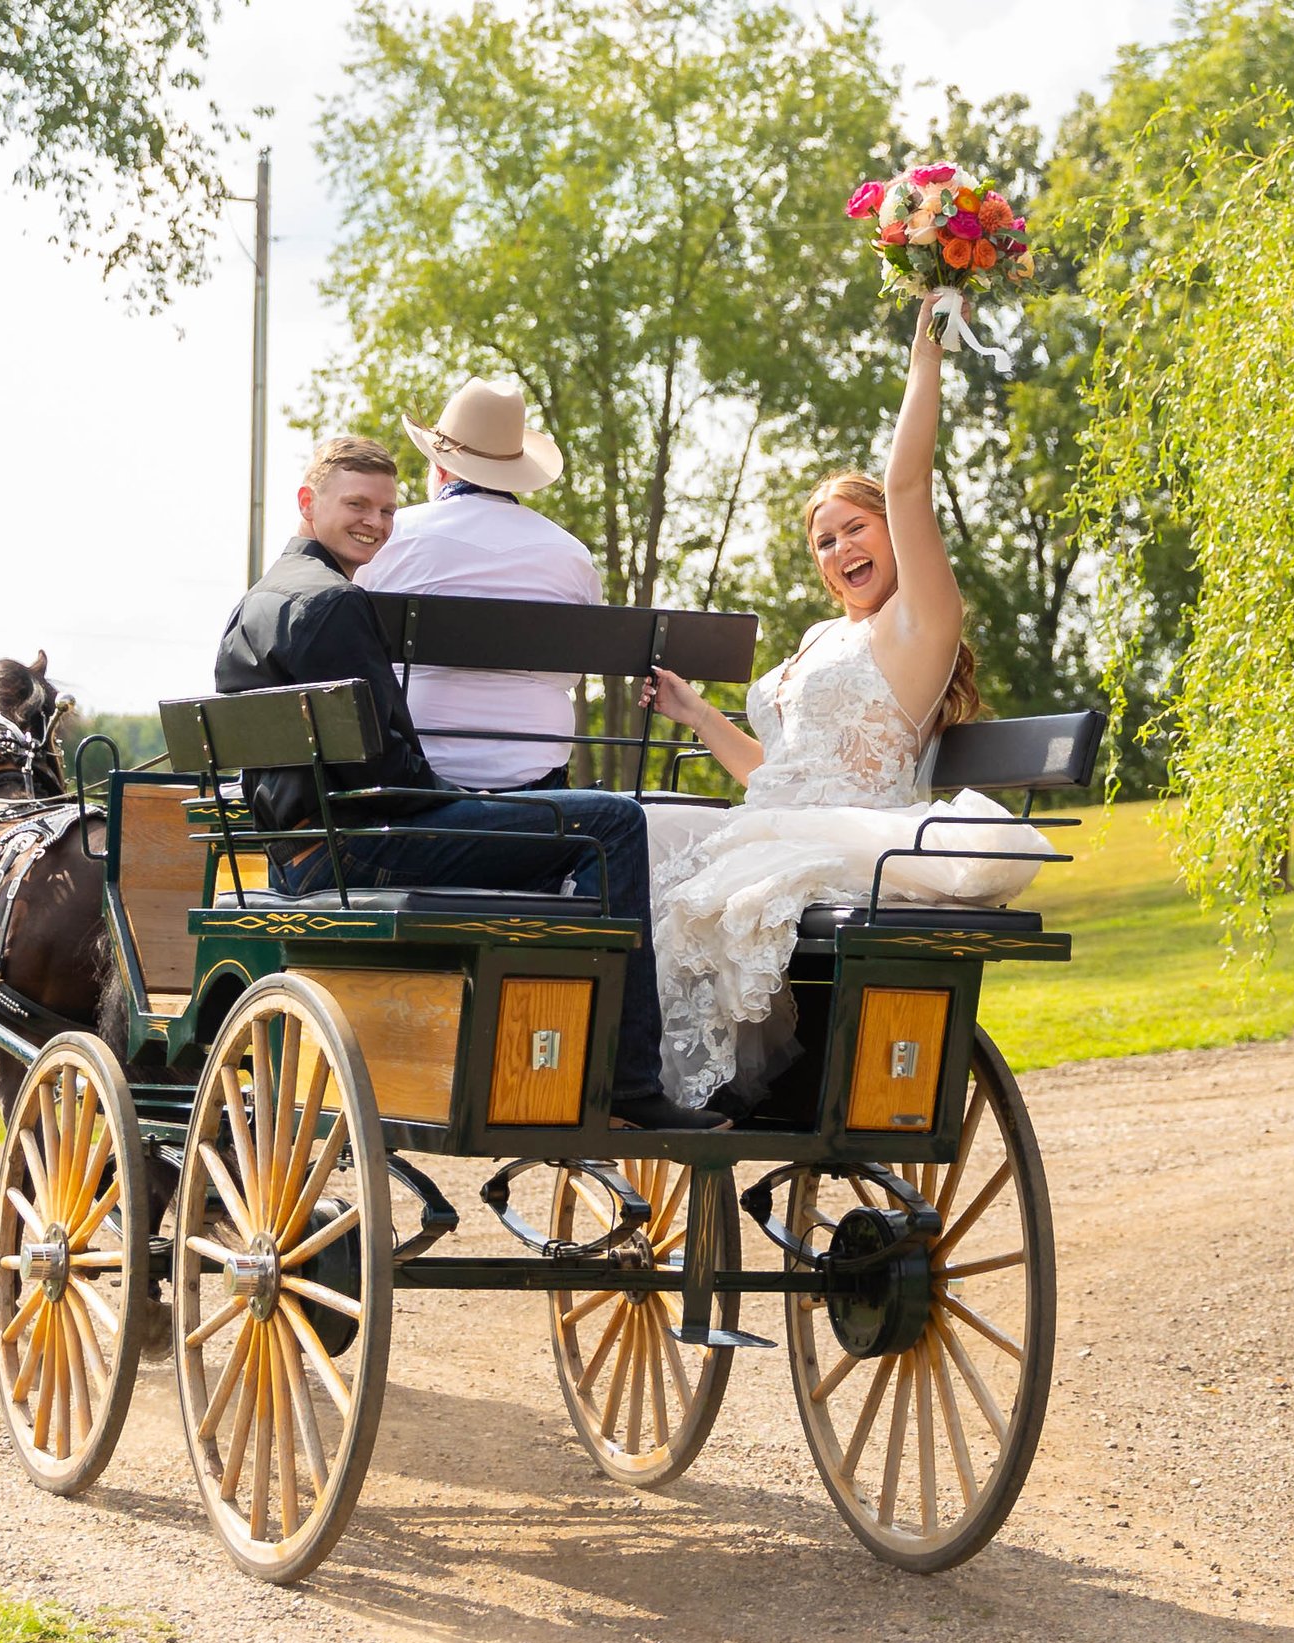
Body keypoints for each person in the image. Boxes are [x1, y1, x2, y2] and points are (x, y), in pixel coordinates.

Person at [215, 435, 723, 1131]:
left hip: (303, 843)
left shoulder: (261, 600)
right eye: (359, 505)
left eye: (387, 509)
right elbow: (383, 765)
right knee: (612, 823)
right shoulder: (334, 604)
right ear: (309, 503)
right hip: (362, 840)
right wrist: (464, 804)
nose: (377, 522)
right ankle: (631, 1082)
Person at [639, 299, 1054, 1110]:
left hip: (860, 830)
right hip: (786, 815)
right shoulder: (824, 636)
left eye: (855, 528)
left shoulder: (917, 625)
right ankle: (645, 1075)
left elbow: (908, 480)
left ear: (897, 535)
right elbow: (778, 772)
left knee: (686, 859)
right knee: (643, 822)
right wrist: (698, 716)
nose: (840, 550)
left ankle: (717, 1082)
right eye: (823, 542)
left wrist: (926, 357)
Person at [356, 377, 601, 792]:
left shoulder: (392, 535)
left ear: (439, 467)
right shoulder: (572, 554)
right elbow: (569, 674)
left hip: (414, 766)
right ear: (515, 472)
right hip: (536, 774)